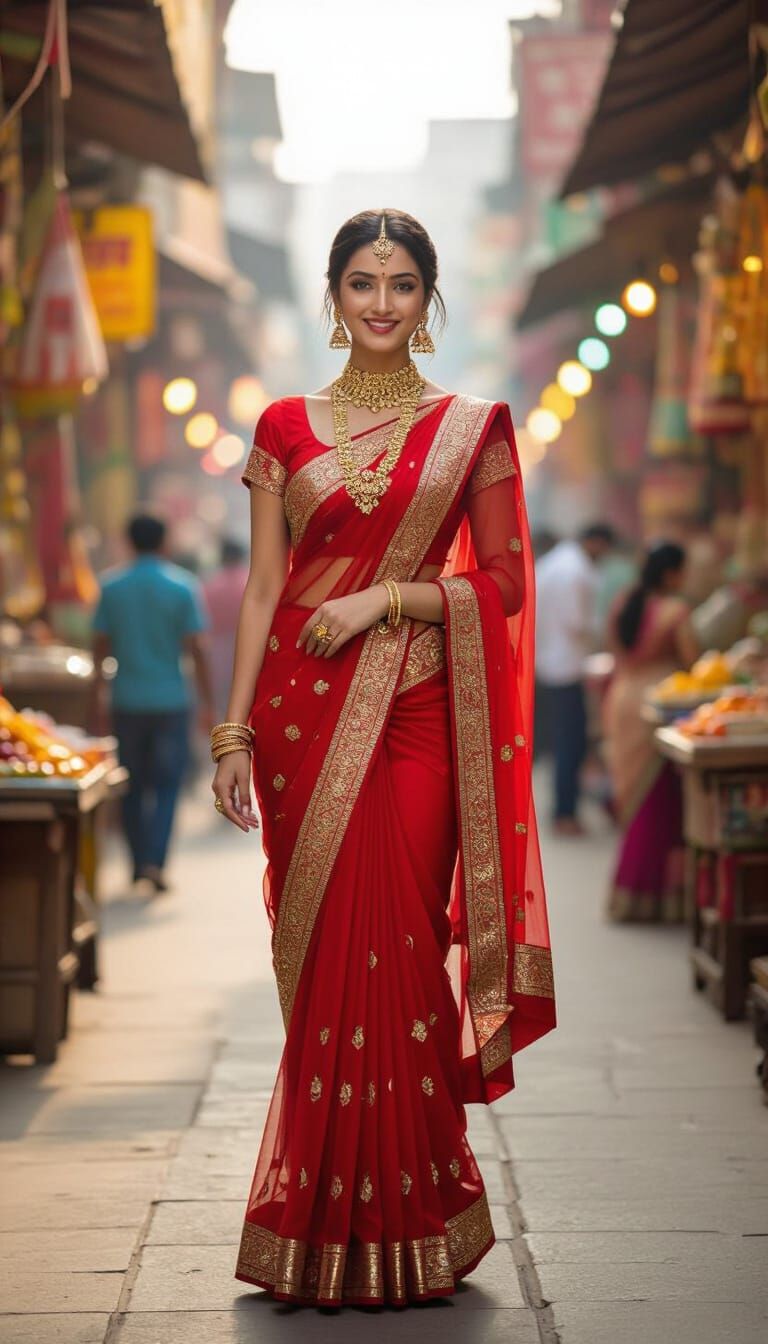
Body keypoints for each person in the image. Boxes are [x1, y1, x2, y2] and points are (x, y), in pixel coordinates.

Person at [210, 209, 555, 1307]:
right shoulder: (282, 425)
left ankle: (417, 1215)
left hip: (414, 716)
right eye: (362, 282)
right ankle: (316, 1220)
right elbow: (264, 590)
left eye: (402, 284)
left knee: (404, 944)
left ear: (428, 298)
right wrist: (232, 731)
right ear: (333, 294)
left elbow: (502, 582)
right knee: (325, 965)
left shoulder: (472, 428)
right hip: (300, 718)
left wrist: (386, 599)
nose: (381, 303)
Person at [92, 513, 213, 893]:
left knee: (131, 782)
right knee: (166, 783)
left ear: (129, 541)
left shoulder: (111, 586)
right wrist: (208, 703)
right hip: (171, 701)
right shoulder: (182, 586)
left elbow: (99, 648)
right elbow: (197, 649)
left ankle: (137, 862)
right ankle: (155, 861)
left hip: (126, 700)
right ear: (164, 542)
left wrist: (97, 698)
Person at [603, 541, 699, 922]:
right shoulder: (676, 611)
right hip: (660, 705)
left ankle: (632, 893)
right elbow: (693, 662)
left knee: (635, 797)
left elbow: (614, 650)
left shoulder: (624, 603)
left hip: (622, 700)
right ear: (671, 574)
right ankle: (658, 896)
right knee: (658, 803)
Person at [535, 523, 615, 835]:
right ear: (596, 542)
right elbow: (577, 622)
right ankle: (564, 813)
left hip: (552, 663)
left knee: (565, 742)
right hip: (566, 667)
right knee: (571, 743)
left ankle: (564, 809)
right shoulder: (574, 571)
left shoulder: (554, 562)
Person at [202, 537, 250, 720]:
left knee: (222, 702)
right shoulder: (248, 582)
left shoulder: (210, 584)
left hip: (217, 649)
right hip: (247, 647)